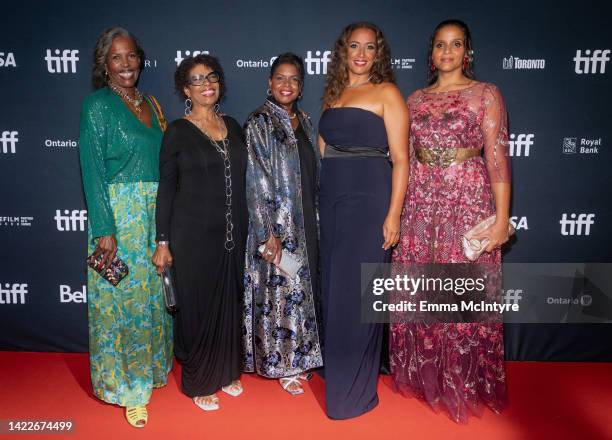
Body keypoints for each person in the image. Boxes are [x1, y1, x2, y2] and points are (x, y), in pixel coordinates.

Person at [390, 19, 511, 423]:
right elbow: (402, 158)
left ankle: (462, 377)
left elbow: (496, 157)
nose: (447, 52)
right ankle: (427, 375)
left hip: (467, 198)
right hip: (421, 199)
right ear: (431, 53)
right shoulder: (414, 100)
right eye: (440, 45)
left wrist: (500, 220)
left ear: (467, 51)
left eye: (455, 44)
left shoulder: (486, 94)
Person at [79, 27, 173, 428]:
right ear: (105, 64)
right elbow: (92, 170)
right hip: (119, 215)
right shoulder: (96, 106)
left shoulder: (151, 102)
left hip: (155, 215)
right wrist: (104, 227)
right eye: (117, 58)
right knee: (124, 305)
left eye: (132, 55)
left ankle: (152, 370)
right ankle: (128, 389)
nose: (126, 64)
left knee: (152, 295)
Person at [318, 22, 409, 419]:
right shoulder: (334, 94)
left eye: (369, 47)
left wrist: (393, 215)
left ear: (378, 54)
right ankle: (338, 371)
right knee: (336, 290)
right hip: (334, 199)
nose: (361, 53)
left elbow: (402, 159)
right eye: (354, 46)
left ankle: (354, 392)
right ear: (344, 51)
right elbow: (324, 150)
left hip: (370, 198)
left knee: (358, 292)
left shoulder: (387, 92)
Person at [152, 54, 248, 411]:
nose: (206, 83)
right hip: (191, 236)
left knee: (229, 301)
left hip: (233, 233)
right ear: (185, 89)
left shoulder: (234, 126)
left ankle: (226, 371)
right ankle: (199, 382)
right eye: (196, 79)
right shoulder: (177, 131)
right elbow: (166, 189)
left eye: (211, 77)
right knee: (197, 307)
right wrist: (163, 241)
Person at [243, 52, 323, 395]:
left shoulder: (303, 121)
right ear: (269, 82)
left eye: (293, 79)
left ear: (301, 86)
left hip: (306, 220)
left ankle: (302, 357)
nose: (286, 85)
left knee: (301, 291)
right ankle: (282, 363)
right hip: (277, 227)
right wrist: (267, 234)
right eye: (280, 78)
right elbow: (256, 180)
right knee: (280, 290)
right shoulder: (259, 122)